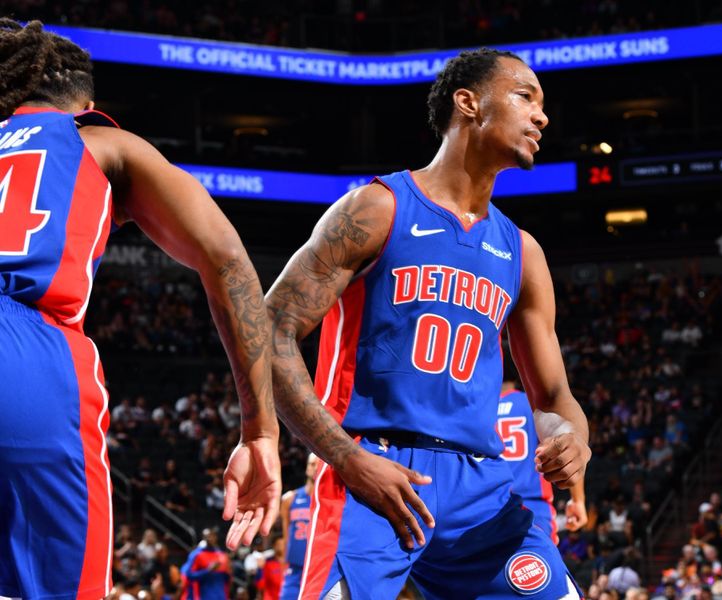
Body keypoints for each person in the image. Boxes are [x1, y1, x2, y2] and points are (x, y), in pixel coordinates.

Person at [266, 47, 590, 599]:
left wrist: (572, 439)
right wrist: (344, 458)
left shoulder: (523, 252)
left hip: (481, 484)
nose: (542, 117)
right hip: (371, 468)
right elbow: (267, 331)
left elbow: (553, 396)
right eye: (525, 97)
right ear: (468, 103)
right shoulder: (376, 208)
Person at [0, 19, 280, 599]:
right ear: (85, 104)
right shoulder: (97, 141)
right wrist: (260, 431)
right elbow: (227, 260)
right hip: (27, 352)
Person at [498, 365, 588, 542]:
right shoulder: (533, 405)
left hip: (482, 509)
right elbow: (568, 446)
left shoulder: (476, 410)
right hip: (531, 508)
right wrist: (578, 500)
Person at [279, 453, 319, 600]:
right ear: (307, 468)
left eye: (318, 464)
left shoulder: (332, 500)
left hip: (318, 568)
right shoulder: (290, 498)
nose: (314, 468)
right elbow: (286, 535)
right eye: (311, 464)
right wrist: (283, 563)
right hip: (295, 567)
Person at [180, 528, 232, 600]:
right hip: (203, 596)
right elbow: (189, 575)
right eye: (206, 536)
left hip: (221, 596)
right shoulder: (196, 555)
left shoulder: (222, 555)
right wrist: (208, 570)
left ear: (215, 537)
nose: (209, 538)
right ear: (203, 538)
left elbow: (227, 579)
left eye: (211, 536)